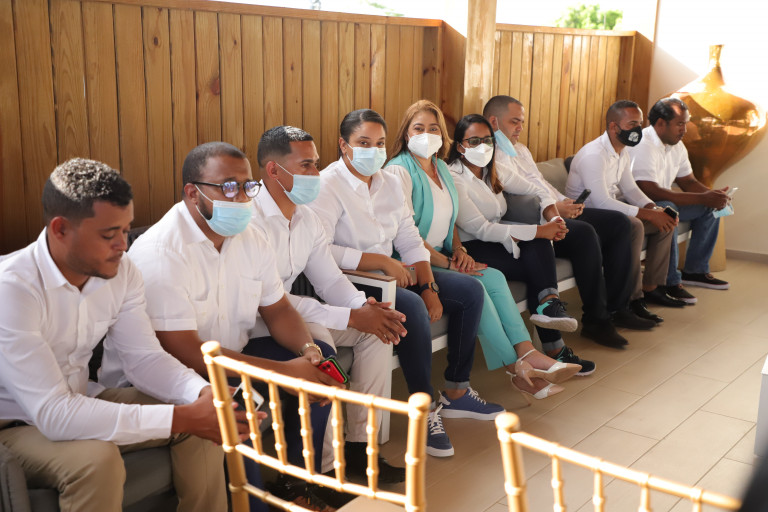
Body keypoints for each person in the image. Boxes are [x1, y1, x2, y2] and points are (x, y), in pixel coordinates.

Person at [0, 158, 243, 512]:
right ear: (60, 229)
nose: (123, 246)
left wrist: (202, 393)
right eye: (108, 234)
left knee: (207, 415)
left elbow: (144, 358)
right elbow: (53, 413)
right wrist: (183, 417)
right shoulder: (13, 289)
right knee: (97, 460)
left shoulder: (122, 271)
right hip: (14, 425)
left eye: (126, 231)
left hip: (81, 399)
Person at [124, 142, 343, 511]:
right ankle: (253, 504)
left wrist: (309, 353)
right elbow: (184, 351)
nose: (241, 198)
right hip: (175, 372)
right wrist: (283, 372)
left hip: (230, 358)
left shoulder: (250, 237)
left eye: (247, 186)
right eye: (227, 187)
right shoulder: (162, 252)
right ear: (192, 193)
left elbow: (279, 309)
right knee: (239, 404)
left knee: (320, 371)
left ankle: (296, 486)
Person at [310, 108, 504, 458]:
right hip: (354, 280)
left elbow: (411, 239)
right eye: (363, 143)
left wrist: (429, 286)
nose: (373, 151)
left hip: (396, 272)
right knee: (411, 307)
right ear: (343, 145)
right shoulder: (328, 185)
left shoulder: (389, 182)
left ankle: (457, 390)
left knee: (470, 291)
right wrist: (381, 262)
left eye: (379, 143)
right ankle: (424, 409)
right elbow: (320, 250)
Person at [384, 101, 583, 402]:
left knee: (494, 277)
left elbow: (450, 219)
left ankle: (527, 353)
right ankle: (519, 369)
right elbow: (408, 236)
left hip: (442, 254)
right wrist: (448, 263)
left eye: (434, 128)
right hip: (413, 262)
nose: (427, 134)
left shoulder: (439, 167)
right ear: (406, 133)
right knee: (475, 287)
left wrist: (459, 250)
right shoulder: (399, 171)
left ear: (442, 135)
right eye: (419, 128)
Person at [250, 125, 407, 483]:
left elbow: (329, 278)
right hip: (258, 322)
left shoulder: (305, 217)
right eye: (306, 166)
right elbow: (270, 302)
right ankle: (324, 471)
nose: (316, 174)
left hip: (293, 313)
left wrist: (363, 307)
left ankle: (360, 447)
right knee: (323, 347)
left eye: (317, 164)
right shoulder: (251, 219)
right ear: (274, 170)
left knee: (379, 332)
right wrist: (350, 316)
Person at [482, 96, 656, 347]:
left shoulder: (520, 150)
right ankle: (597, 320)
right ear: (494, 122)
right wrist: (555, 209)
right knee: (585, 233)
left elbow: (541, 183)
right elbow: (518, 198)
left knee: (620, 223)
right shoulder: (490, 155)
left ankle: (619, 308)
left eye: (522, 122)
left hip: (554, 209)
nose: (520, 127)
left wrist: (565, 202)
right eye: (514, 122)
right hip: (534, 218)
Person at [566, 100, 686, 323]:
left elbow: (630, 189)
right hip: (588, 217)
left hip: (614, 214)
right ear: (614, 127)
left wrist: (653, 208)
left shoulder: (623, 151)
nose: (638, 130)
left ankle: (652, 288)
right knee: (635, 225)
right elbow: (601, 202)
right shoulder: (594, 154)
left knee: (666, 221)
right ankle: (632, 299)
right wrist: (647, 214)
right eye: (632, 124)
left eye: (639, 124)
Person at [628, 97, 730, 302]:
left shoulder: (677, 145)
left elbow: (688, 181)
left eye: (686, 123)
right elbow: (649, 191)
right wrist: (704, 197)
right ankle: (671, 281)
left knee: (709, 208)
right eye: (680, 124)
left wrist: (713, 197)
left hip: (663, 200)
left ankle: (695, 271)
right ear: (660, 123)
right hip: (640, 205)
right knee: (669, 209)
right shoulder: (644, 144)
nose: (684, 129)